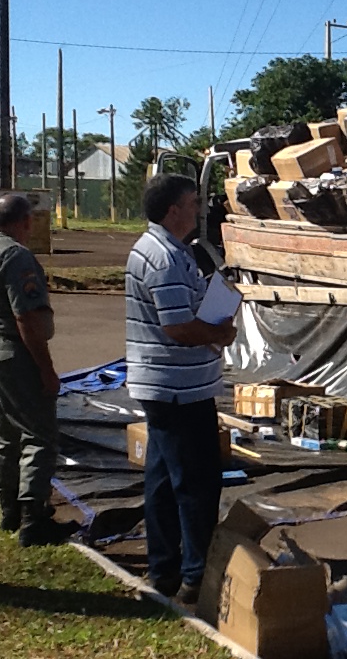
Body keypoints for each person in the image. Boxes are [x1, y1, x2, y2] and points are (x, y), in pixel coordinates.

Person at [125, 174, 237, 605]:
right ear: (173, 210)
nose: (199, 209)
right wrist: (219, 332)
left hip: (168, 386)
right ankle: (194, 575)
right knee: (196, 483)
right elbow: (177, 327)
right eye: (193, 203)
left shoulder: (165, 251)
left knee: (162, 480)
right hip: (178, 389)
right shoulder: (165, 258)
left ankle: (164, 570)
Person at [0, 194, 77, 546]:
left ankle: (9, 507)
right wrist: (46, 369)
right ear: (25, 222)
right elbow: (27, 317)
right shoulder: (16, 256)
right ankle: (34, 517)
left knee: (2, 431)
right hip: (15, 354)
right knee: (38, 434)